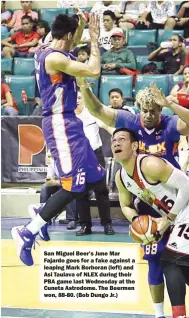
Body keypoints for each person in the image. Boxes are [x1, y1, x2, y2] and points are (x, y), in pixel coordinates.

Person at [77, 80, 189, 318]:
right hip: (152, 201)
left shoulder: (168, 125)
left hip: (181, 196)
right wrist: (85, 87)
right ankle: (165, 313)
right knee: (161, 259)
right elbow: (98, 110)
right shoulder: (129, 126)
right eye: (145, 111)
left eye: (154, 111)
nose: (149, 115)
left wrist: (169, 105)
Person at [11, 12, 106, 267]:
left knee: (94, 176)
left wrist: (82, 24)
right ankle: (27, 231)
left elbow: (70, 43)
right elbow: (94, 70)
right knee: (73, 184)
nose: (78, 39)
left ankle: (43, 213)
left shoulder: (47, 46)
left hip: (70, 122)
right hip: (59, 123)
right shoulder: (54, 58)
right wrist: (95, 40)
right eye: (75, 34)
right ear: (66, 36)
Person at [112, 127, 189, 318]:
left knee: (169, 260)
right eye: (113, 140)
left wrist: (168, 219)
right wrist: (137, 220)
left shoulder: (150, 165)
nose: (115, 143)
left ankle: (183, 313)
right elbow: (125, 205)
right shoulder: (121, 177)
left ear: (134, 146)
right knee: (177, 261)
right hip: (179, 215)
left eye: (121, 139)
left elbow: (188, 187)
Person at [75, 90, 114, 235]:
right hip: (77, 158)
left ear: (84, 100)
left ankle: (107, 224)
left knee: (101, 191)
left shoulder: (91, 113)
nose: (77, 100)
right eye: (75, 98)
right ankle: (85, 225)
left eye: (80, 98)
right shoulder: (69, 117)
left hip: (94, 156)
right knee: (80, 192)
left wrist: (118, 136)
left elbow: (107, 127)